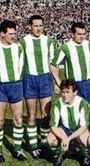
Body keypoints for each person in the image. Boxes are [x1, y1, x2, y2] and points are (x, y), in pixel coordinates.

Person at [19, 15, 54, 158]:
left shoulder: (49, 40)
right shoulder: (23, 42)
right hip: (29, 79)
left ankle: (44, 143)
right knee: (32, 116)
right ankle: (33, 146)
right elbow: (19, 63)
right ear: (30, 26)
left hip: (45, 79)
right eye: (36, 25)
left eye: (41, 25)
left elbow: (52, 62)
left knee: (46, 115)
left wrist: (56, 81)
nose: (38, 28)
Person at [50, 22, 90, 123]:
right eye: (79, 34)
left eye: (84, 34)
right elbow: (53, 65)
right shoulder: (65, 47)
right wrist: (59, 83)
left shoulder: (89, 44)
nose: (82, 36)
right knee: (75, 110)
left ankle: (87, 131)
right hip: (73, 84)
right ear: (72, 34)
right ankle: (73, 134)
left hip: (87, 82)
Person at [47, 79, 90, 166]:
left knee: (85, 138)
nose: (64, 95)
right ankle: (60, 154)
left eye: (68, 92)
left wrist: (69, 139)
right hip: (65, 129)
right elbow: (53, 125)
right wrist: (64, 138)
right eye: (63, 92)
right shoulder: (57, 103)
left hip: (78, 129)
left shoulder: (83, 103)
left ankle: (85, 155)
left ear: (75, 92)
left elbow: (83, 127)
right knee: (50, 139)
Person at [0, 20, 26, 162]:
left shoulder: (18, 48)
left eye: (14, 34)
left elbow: (21, 68)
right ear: (2, 34)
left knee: (18, 119)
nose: (13, 36)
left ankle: (17, 150)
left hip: (15, 86)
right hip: (1, 87)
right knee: (0, 121)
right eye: (10, 34)